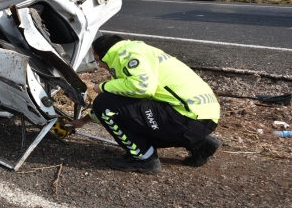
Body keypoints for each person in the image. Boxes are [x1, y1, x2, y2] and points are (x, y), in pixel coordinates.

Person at [68, 34, 221, 174]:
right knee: (115, 104)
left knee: (104, 101)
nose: (99, 65)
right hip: (203, 119)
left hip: (187, 118)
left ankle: (144, 159)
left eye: (97, 60)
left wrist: (102, 86)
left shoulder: (127, 55)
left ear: (101, 55)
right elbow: (119, 102)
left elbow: (142, 87)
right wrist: (84, 121)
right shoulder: (139, 50)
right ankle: (200, 144)